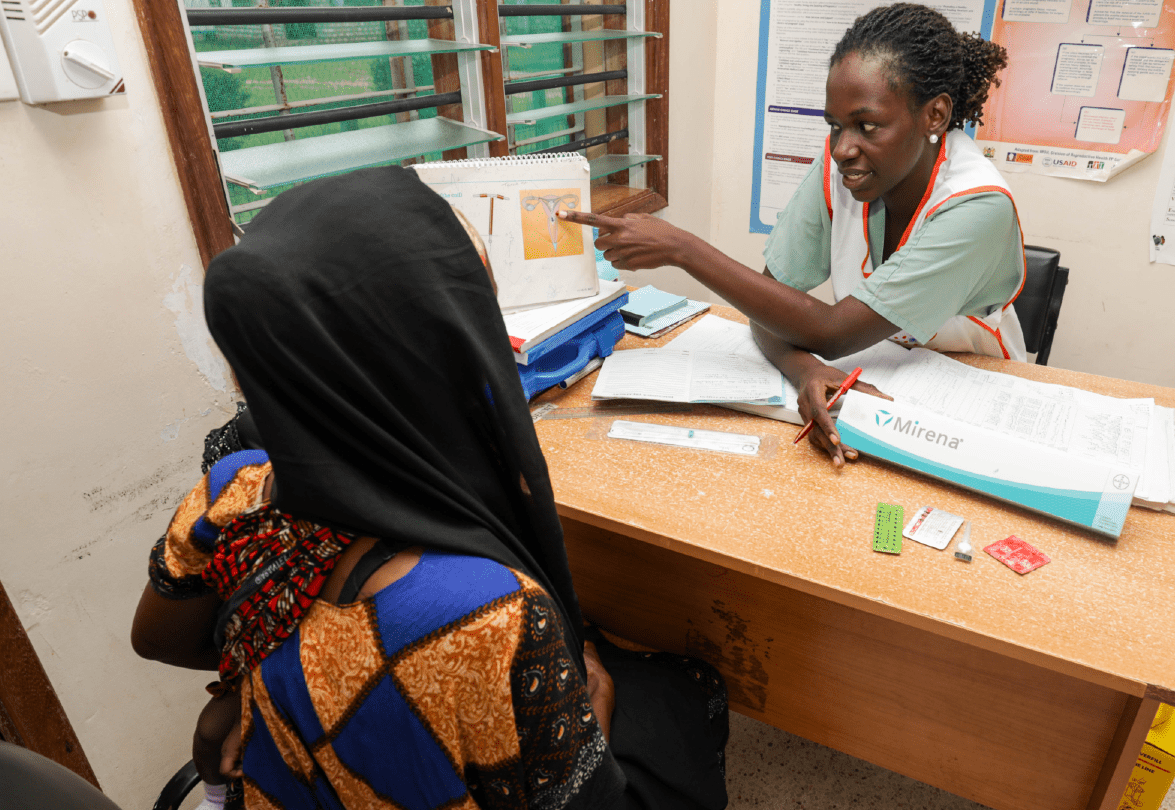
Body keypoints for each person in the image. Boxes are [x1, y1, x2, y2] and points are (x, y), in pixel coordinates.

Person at [131, 166, 729, 810]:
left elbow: (157, 638)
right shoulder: (491, 614)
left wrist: (270, 682)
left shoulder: (231, 493)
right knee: (683, 695)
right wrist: (598, 706)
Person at [560, 3, 1021, 467]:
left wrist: (683, 249)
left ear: (935, 115)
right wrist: (806, 369)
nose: (842, 148)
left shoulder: (978, 207)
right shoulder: (849, 166)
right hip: (871, 379)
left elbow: (832, 332)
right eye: (836, 126)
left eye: (867, 125)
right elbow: (771, 300)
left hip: (968, 398)